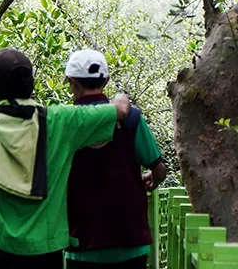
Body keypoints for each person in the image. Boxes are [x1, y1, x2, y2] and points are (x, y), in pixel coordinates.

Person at [0, 47, 132, 269]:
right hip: (45, 250)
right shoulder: (60, 121)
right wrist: (120, 96)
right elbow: (121, 110)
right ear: (31, 85)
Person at [64, 48, 167, 269]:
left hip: (83, 239)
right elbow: (159, 170)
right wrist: (152, 179)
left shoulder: (66, 122)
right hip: (130, 239)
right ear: (107, 80)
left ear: (73, 83)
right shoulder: (132, 118)